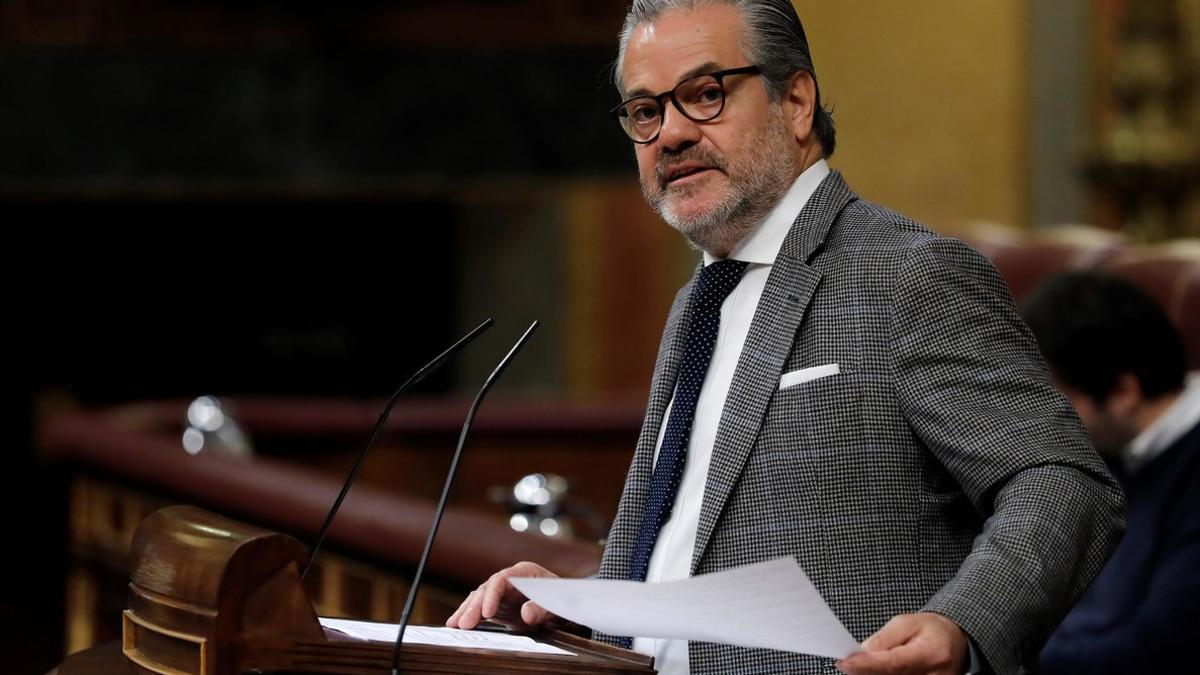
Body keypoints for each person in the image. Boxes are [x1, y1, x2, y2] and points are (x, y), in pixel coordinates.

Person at [447, 2, 1126, 673]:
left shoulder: (908, 273)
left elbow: (1062, 480)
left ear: (796, 101)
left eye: (706, 94)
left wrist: (966, 623)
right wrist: (583, 608)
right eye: (646, 111)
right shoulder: (699, 301)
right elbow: (699, 559)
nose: (671, 134)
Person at [1022, 272, 1199, 675]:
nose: (1042, 422)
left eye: (1058, 400)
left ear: (1124, 392)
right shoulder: (1112, 449)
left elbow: (1157, 654)